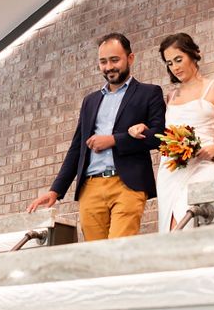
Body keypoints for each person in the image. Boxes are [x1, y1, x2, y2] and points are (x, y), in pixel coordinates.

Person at [28, 33, 166, 240]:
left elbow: (160, 137)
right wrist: (55, 190)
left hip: (127, 185)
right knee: (95, 253)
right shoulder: (90, 101)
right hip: (90, 187)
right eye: (103, 61)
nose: (109, 66)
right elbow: (77, 148)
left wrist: (114, 140)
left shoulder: (149, 93)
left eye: (114, 60)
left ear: (130, 58)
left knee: (118, 250)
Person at [137, 32, 214, 233]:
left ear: (194, 54)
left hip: (203, 165)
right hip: (171, 169)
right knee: (170, 227)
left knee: (187, 220)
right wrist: (143, 130)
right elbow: (165, 135)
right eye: (170, 63)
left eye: (179, 59)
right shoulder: (171, 96)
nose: (175, 67)